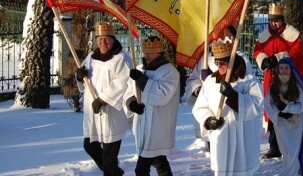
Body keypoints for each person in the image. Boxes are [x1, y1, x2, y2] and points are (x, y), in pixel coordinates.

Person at [253, 3, 303, 159]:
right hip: (273, 78)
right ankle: (275, 146)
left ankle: (298, 143)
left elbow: (296, 52)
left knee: (291, 108)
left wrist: (278, 57)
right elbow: (257, 50)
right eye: (272, 21)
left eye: (278, 21)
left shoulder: (292, 34)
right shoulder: (264, 36)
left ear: (282, 20)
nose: (275, 24)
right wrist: (263, 60)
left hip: (290, 77)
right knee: (273, 110)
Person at [192, 37, 263, 175]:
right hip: (221, 138)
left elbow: (257, 105)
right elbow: (200, 107)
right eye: (217, 62)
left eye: (223, 62)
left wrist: (233, 96)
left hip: (243, 142)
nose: (219, 66)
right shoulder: (210, 82)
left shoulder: (248, 81)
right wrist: (208, 120)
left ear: (232, 61)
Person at [75, 22, 132, 175]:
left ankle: (111, 172)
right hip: (93, 115)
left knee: (109, 157)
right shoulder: (91, 57)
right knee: (90, 146)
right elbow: (84, 77)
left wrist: (103, 99)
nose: (103, 43)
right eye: (99, 39)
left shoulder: (121, 58)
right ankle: (114, 172)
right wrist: (80, 77)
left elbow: (122, 82)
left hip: (111, 115)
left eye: (106, 39)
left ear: (113, 39)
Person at [185, 26, 251, 149]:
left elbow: (243, 81)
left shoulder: (241, 58)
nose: (223, 38)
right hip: (214, 117)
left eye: (227, 35)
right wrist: (199, 88)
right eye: (220, 35)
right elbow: (193, 79)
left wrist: (230, 93)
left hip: (235, 124)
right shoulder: (205, 58)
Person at [124, 37, 179, 176]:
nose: (146, 55)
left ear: (159, 52)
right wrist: (132, 104)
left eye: (151, 52)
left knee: (141, 169)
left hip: (158, 126)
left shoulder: (169, 71)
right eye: (145, 51)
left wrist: (141, 80)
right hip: (142, 125)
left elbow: (161, 95)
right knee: (159, 162)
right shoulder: (139, 69)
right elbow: (129, 91)